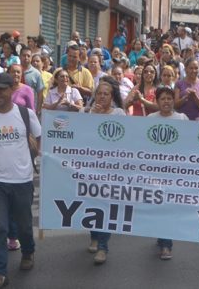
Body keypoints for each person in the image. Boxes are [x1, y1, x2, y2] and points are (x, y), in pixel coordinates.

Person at [0, 73, 41, 287]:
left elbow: (39, 139)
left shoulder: (26, 114)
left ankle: (28, 252)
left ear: (12, 89)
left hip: (22, 181)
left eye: (3, 89)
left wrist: (35, 155)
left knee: (23, 225)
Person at [86, 78, 126, 265]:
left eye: (106, 94)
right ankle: (94, 236)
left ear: (112, 97)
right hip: (90, 169)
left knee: (105, 207)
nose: (102, 97)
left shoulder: (119, 114)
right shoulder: (85, 114)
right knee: (91, 204)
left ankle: (103, 247)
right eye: (99, 94)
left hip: (111, 170)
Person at [147, 86, 187, 259]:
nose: (166, 101)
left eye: (169, 98)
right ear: (157, 101)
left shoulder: (182, 118)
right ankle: (161, 234)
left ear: (173, 101)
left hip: (174, 172)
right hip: (154, 171)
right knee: (157, 206)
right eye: (162, 98)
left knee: (168, 206)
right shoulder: (149, 118)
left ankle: (166, 245)